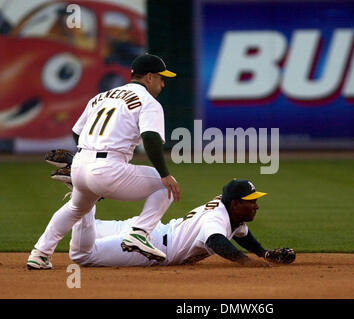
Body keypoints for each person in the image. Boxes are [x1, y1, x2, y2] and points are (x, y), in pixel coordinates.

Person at [27, 54, 181, 270]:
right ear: (148, 77)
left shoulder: (102, 97)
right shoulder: (149, 102)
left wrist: (85, 155)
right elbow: (151, 138)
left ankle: (40, 253)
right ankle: (139, 234)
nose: (163, 83)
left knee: (76, 208)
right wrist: (165, 173)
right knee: (163, 185)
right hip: (109, 167)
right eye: (160, 78)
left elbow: (77, 132)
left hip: (81, 164)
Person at [68, 178, 295, 267]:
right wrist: (245, 262)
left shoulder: (230, 212)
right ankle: (83, 190)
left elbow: (243, 235)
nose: (256, 205)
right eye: (251, 201)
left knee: (89, 227)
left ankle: (80, 187)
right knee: (84, 256)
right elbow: (216, 241)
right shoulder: (216, 218)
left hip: (149, 228)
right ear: (235, 203)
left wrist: (263, 253)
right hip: (152, 247)